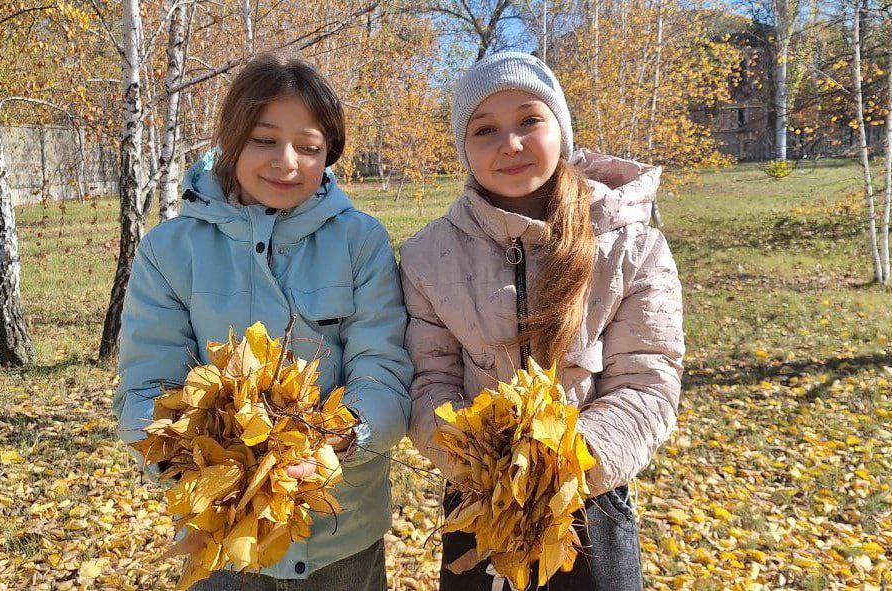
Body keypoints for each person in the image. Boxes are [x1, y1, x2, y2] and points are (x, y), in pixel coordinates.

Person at [113, 51, 411, 591]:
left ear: (329, 154)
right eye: (265, 140)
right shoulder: (170, 250)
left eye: (309, 147)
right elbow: (144, 388)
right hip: (226, 540)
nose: (287, 162)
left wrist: (345, 437)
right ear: (232, 139)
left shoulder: (359, 241)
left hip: (342, 530)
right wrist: (199, 460)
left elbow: (383, 371)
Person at [400, 51, 685, 590]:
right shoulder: (427, 258)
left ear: (561, 129)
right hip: (480, 505)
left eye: (530, 120)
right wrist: (488, 468)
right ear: (463, 146)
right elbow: (428, 381)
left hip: (590, 505)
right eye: (485, 129)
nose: (510, 143)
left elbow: (647, 380)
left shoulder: (632, 247)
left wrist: (563, 465)